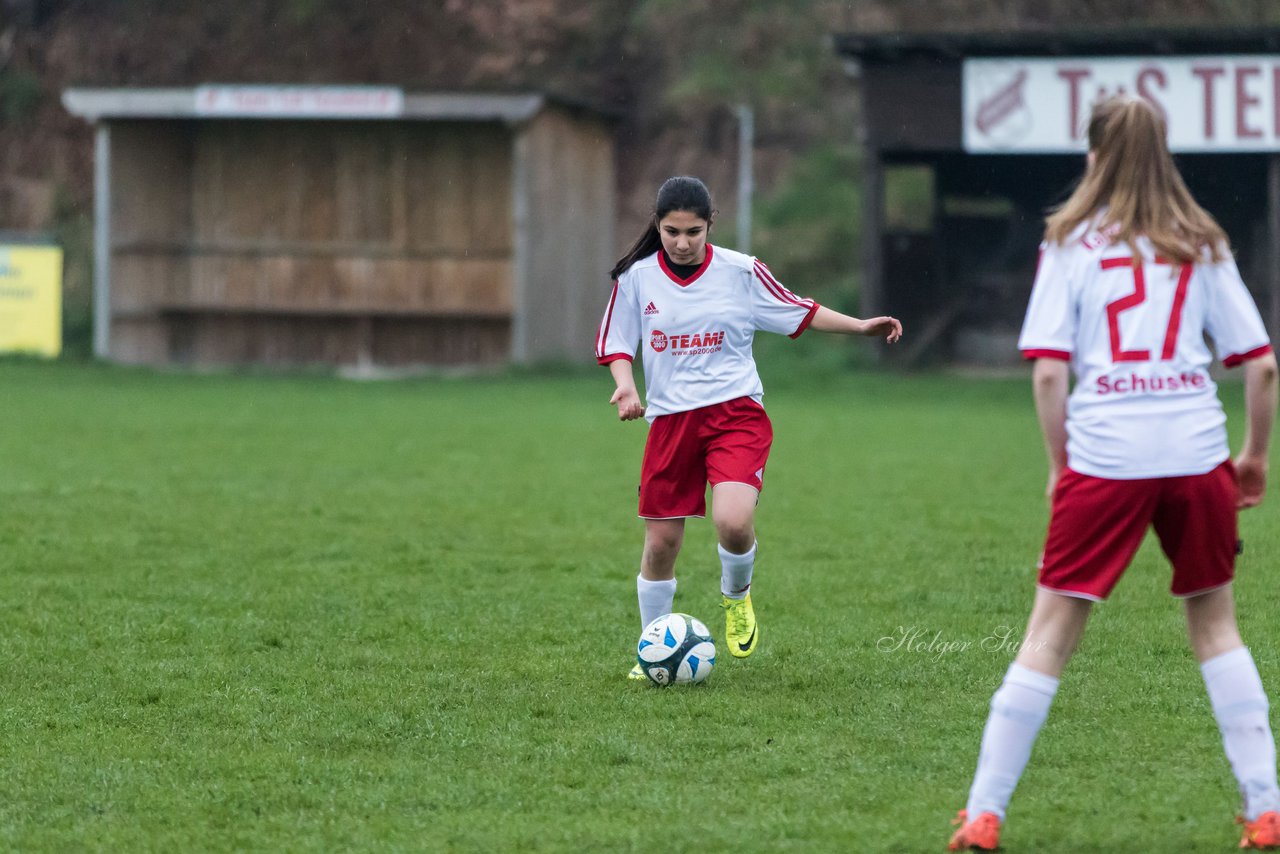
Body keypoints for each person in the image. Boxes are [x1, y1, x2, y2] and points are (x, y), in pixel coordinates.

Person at [948, 95, 1280, 851]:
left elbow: (1045, 376)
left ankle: (983, 814)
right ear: (1165, 152)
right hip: (1197, 457)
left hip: (1106, 461)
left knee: (1050, 635)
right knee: (1217, 625)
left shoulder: (1068, 242)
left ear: (1093, 156)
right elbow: (1260, 367)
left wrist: (1062, 467)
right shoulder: (1203, 242)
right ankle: (1267, 809)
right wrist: (1254, 457)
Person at [594, 175, 902, 681]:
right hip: (671, 422)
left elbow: (799, 311)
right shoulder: (637, 278)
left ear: (710, 224)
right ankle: (651, 651)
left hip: (735, 414)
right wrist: (626, 386)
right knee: (660, 545)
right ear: (658, 225)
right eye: (671, 231)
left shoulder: (741, 272)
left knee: (733, 522)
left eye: (693, 231)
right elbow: (617, 341)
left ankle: (736, 598)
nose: (682, 242)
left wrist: (861, 326)